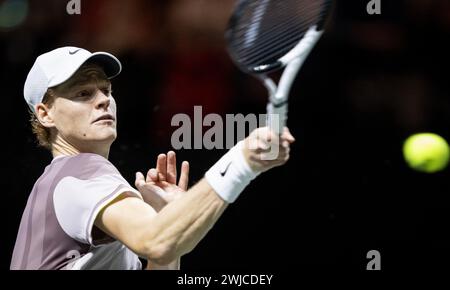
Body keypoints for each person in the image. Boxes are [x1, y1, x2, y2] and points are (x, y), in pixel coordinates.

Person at [10, 47, 295, 270]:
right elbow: (154, 241)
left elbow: (159, 245)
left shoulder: (53, 184)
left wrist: (166, 221)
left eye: (106, 90)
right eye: (83, 93)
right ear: (45, 114)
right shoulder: (80, 170)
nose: (103, 100)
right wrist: (242, 161)